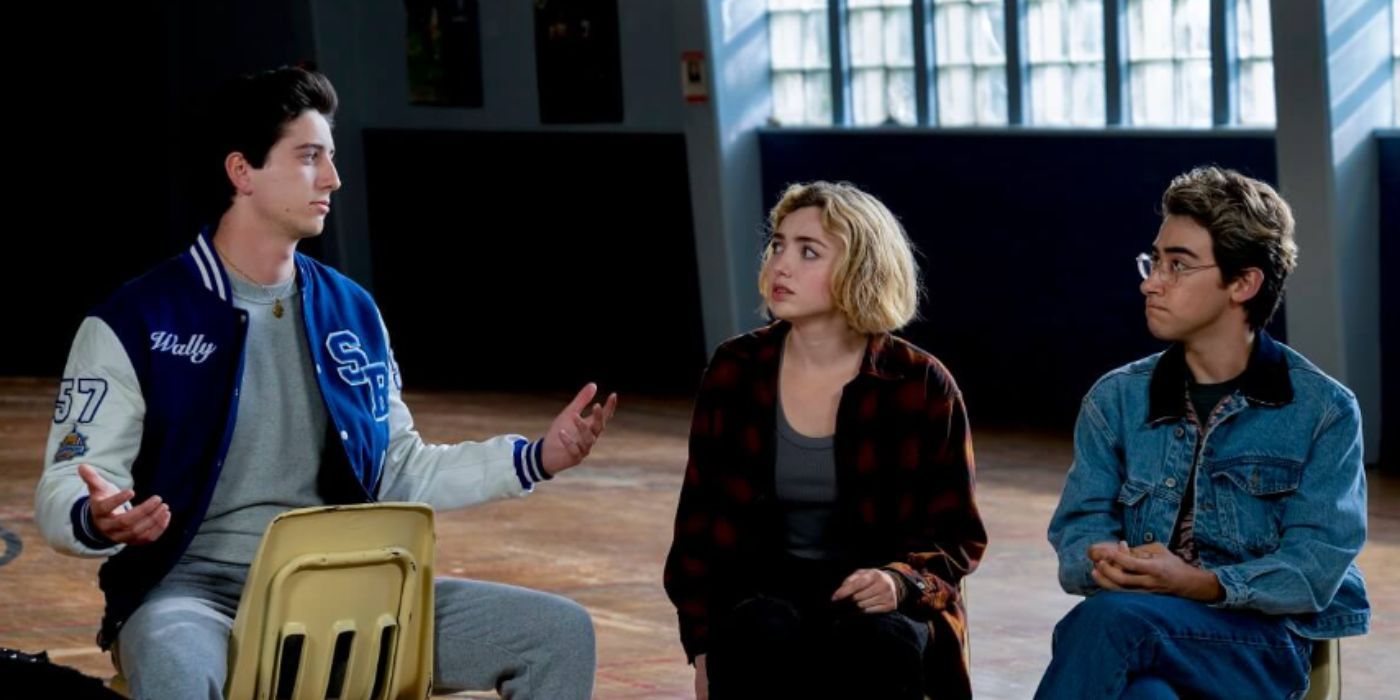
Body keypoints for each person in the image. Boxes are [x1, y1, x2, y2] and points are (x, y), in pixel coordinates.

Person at [35, 66, 616, 699]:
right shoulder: (134, 320)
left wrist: (535, 459)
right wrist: (96, 519)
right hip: (193, 595)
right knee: (176, 662)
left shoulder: (352, 310)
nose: (333, 179)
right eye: (310, 157)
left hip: (350, 588)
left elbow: (400, 465)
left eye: (331, 158)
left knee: (557, 633)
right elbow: (71, 478)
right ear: (242, 172)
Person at [1036, 166, 1369, 699]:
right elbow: (1080, 528)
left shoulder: (1324, 410)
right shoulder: (1116, 398)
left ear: (1243, 283)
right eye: (1154, 261)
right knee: (1146, 693)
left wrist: (1200, 584)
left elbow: (1313, 569)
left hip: (1260, 645)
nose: (1150, 282)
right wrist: (1105, 560)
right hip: (1142, 625)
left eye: (1178, 265)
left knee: (1113, 623)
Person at [664, 181, 986, 700]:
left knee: (879, 642)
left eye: (808, 251)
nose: (780, 265)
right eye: (778, 244)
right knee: (755, 632)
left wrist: (901, 581)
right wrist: (702, 647)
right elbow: (699, 527)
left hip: (873, 591)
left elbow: (957, 536)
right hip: (765, 591)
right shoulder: (736, 369)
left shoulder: (922, 383)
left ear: (860, 269)